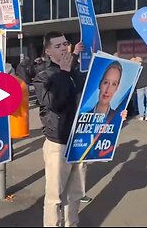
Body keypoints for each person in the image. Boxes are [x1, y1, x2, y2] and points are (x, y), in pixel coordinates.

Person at [32, 31, 93, 227]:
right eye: (57, 46)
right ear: (48, 51)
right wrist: (64, 73)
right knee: (54, 198)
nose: (64, 48)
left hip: (79, 141)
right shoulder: (43, 77)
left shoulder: (75, 73)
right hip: (58, 143)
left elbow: (90, 100)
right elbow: (54, 103)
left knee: (75, 194)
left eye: (65, 44)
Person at [133, 56, 147, 121]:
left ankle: (141, 115)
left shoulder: (137, 66)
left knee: (140, 100)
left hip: (139, 85)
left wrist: (135, 86)